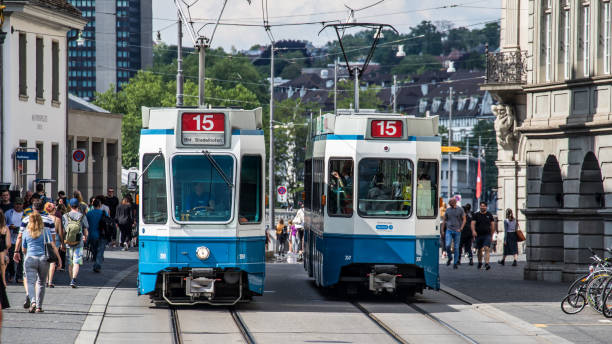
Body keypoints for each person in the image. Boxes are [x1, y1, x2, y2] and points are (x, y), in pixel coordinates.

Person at [14, 201, 56, 309]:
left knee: (28, 278)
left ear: (32, 208)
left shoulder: (26, 219)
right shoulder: (49, 220)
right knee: (41, 281)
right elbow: (52, 241)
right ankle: (38, 306)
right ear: (43, 208)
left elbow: (20, 237)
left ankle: (30, 295)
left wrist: (16, 251)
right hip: (43, 255)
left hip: (29, 254)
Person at [22, 213, 61, 313]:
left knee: (30, 282)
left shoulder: (26, 232)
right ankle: (39, 307)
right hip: (43, 259)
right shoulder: (46, 231)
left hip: (30, 258)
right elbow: (52, 245)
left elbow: (23, 249)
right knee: (41, 282)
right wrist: (59, 259)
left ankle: (33, 302)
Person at [63, 198, 89, 288]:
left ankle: (71, 280)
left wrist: (62, 242)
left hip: (68, 241)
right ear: (78, 206)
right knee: (77, 261)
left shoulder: (65, 216)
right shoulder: (82, 216)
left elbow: (63, 230)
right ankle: (74, 279)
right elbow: (85, 229)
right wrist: (85, 237)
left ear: (69, 205)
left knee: (70, 262)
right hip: (79, 242)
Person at [471, 201, 495, 270]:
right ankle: (480, 262)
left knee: (486, 248)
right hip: (478, 235)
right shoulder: (476, 215)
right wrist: (473, 231)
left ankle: (487, 263)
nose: (482, 207)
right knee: (479, 249)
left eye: (484, 206)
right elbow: (472, 224)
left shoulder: (489, 215)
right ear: (480, 206)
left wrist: (492, 234)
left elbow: (492, 225)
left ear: (486, 207)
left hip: (487, 235)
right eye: (481, 206)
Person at [441, 198, 465, 269]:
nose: (449, 203)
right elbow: (444, 220)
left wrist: (461, 228)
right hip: (449, 230)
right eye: (449, 202)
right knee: (447, 245)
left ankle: (455, 263)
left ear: (454, 202)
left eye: (450, 202)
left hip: (457, 231)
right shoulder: (448, 210)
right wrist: (442, 230)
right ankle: (450, 257)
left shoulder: (460, 209)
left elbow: (464, 219)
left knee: (456, 247)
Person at [5, 198, 24, 283]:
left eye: (20, 204)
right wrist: (9, 226)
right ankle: (12, 274)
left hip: (22, 239)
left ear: (22, 205)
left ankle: (19, 276)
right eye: (17, 204)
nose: (18, 206)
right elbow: (3, 224)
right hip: (12, 239)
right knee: (12, 259)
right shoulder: (9, 213)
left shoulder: (25, 213)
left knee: (21, 259)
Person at [44, 203, 63, 287]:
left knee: (45, 261)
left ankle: (45, 280)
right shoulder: (57, 219)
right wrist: (63, 243)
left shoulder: (44, 219)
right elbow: (60, 232)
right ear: (54, 210)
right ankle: (50, 281)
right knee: (53, 261)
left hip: (45, 241)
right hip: (55, 241)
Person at [86, 198, 106, 272]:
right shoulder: (103, 213)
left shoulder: (89, 213)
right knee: (100, 251)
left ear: (93, 205)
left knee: (94, 250)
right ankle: (97, 264)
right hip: (102, 235)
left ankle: (96, 262)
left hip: (92, 235)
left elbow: (86, 225)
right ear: (100, 205)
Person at [0, 211, 11, 287]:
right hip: (2, 249)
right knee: (3, 263)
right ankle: (3, 281)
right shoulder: (5, 228)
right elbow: (8, 244)